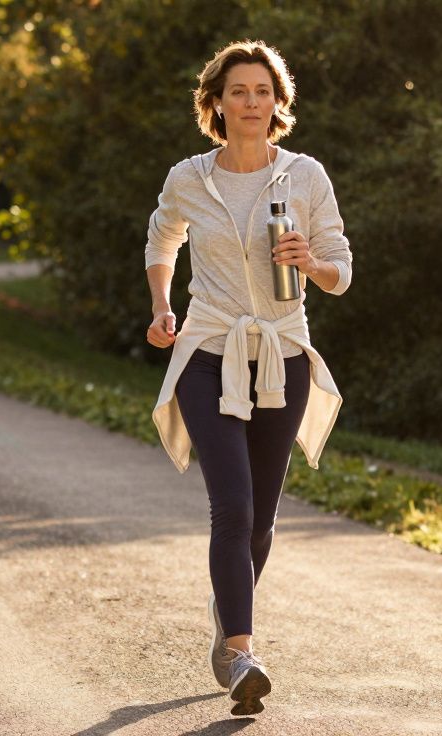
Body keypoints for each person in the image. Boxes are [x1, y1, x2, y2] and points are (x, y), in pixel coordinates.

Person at [144, 40, 352, 717]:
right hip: (208, 349)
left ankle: (225, 606)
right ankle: (240, 651)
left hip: (283, 354)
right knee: (231, 506)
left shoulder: (305, 177)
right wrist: (162, 305)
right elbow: (161, 240)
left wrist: (311, 261)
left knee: (260, 517)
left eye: (263, 91)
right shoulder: (188, 177)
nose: (251, 103)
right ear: (216, 102)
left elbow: (341, 272)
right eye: (238, 91)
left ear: (278, 102)